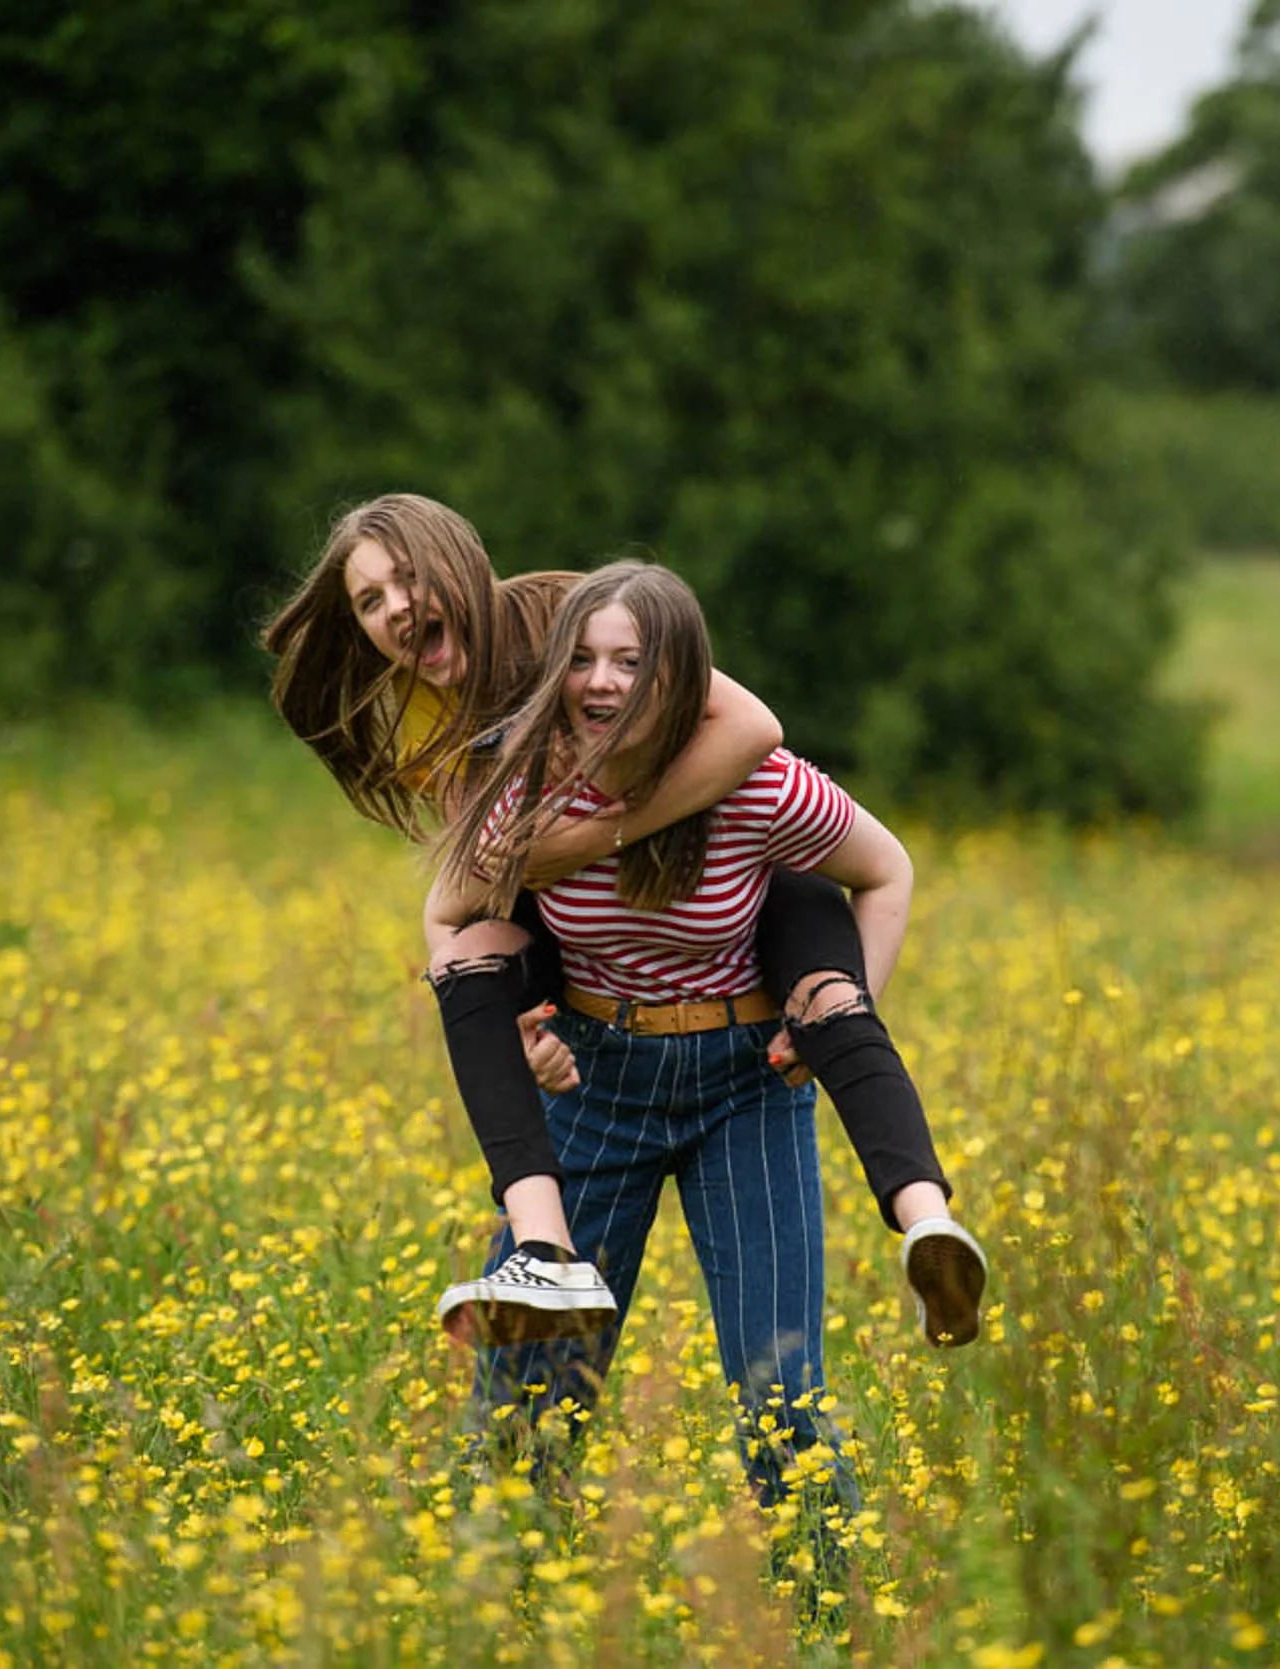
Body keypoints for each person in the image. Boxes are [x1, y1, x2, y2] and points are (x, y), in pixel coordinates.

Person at [260, 495, 985, 1348]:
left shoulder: (567, 621)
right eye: (369, 601)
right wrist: (521, 1014)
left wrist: (593, 833)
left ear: (461, 563)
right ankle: (541, 1249)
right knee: (466, 954)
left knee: (827, 978)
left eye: (408, 580)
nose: (394, 610)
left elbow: (753, 726)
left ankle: (926, 1217)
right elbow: (475, 887)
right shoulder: (431, 706)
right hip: (595, 950)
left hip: (727, 867)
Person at [427, 558, 906, 1542]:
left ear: (679, 679)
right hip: (595, 1077)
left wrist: (832, 1026)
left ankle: (827, 1616)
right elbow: (473, 923)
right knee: (530, 1387)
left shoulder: (756, 783)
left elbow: (884, 868)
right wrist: (523, 1024)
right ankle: (497, 1607)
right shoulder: (529, 785)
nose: (603, 681)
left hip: (745, 1086)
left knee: (782, 1388)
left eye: (631, 662)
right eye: (585, 660)